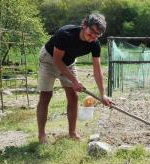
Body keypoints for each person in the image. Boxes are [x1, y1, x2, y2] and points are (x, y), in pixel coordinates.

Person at [37, 13, 113, 143]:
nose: (92, 37)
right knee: (46, 96)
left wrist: (103, 95)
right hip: (49, 60)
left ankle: (72, 133)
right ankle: (42, 135)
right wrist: (74, 81)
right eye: (91, 32)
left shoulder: (95, 43)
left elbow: (97, 70)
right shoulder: (65, 34)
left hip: (69, 62)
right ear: (84, 25)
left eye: (97, 35)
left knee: (73, 96)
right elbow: (57, 60)